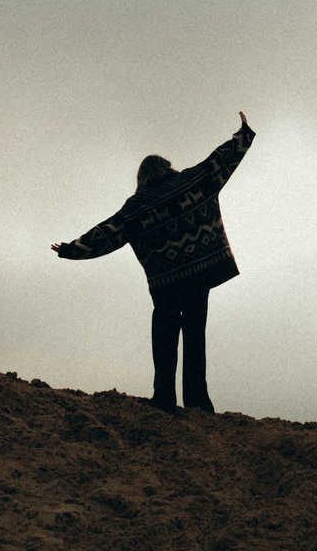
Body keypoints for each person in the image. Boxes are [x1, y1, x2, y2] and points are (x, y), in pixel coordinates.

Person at [52, 113, 255, 414]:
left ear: (142, 177)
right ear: (167, 167)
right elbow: (220, 161)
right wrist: (244, 134)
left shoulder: (138, 205)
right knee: (195, 336)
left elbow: (109, 231)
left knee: (164, 339)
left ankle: (163, 399)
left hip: (166, 283)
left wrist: (74, 249)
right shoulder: (192, 181)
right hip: (199, 274)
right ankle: (198, 402)